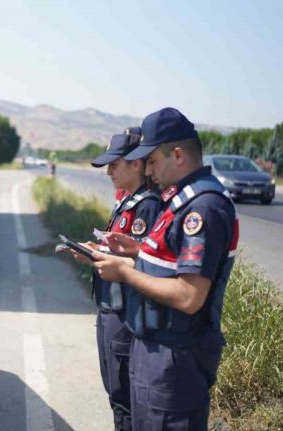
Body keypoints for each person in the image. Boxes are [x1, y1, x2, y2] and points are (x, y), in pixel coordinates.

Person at [91, 108, 239, 430]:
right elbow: (169, 265)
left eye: (153, 161)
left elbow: (189, 296)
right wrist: (137, 250)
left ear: (177, 155)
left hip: (175, 358)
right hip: (154, 349)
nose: (148, 169)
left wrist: (126, 272)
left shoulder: (203, 207)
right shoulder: (179, 202)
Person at [67, 130, 160, 431]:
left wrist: (99, 256)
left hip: (125, 313)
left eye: (114, 165)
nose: (108, 172)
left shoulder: (147, 205)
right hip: (110, 308)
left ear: (136, 164)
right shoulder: (128, 202)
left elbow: (144, 264)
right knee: (115, 393)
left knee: (125, 401)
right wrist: (95, 252)